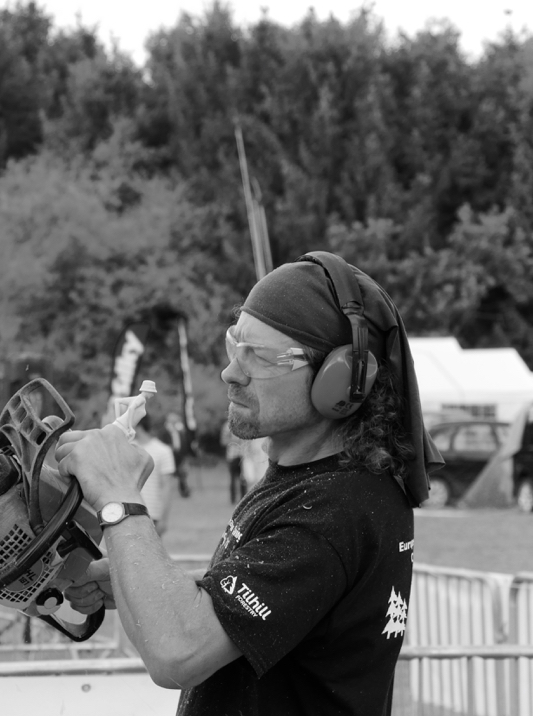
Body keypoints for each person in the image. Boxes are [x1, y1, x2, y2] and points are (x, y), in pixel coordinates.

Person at [56, 251, 443, 715]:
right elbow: (278, 611)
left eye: (259, 356)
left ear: (340, 379)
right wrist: (147, 589)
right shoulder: (319, 486)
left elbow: (177, 654)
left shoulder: (332, 512)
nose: (231, 372)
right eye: (234, 344)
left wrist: (119, 498)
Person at [135, 415, 177, 536]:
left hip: (152, 514)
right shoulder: (128, 448)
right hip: (129, 513)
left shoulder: (163, 451)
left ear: (138, 426)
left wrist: (164, 518)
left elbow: (167, 487)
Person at [221, 419, 245, 502]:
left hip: (243, 455)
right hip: (232, 455)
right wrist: (235, 441)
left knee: (243, 478)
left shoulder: (245, 424)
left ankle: (243, 498)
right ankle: (233, 498)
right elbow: (223, 441)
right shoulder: (227, 426)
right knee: (233, 478)